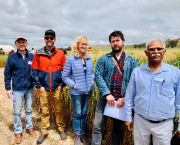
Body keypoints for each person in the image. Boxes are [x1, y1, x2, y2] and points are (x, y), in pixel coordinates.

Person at [124, 38, 180, 145]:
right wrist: (127, 117)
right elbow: (129, 96)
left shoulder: (175, 73)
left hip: (164, 124)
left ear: (164, 51)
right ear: (146, 52)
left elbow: (179, 101)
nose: (156, 52)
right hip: (140, 121)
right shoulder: (137, 72)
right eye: (152, 49)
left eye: (159, 49)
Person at [91, 30, 138, 145]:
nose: (115, 43)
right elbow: (98, 76)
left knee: (117, 128)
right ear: (110, 44)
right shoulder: (103, 59)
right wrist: (107, 94)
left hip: (121, 101)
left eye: (117, 41)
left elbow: (135, 81)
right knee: (97, 126)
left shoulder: (131, 61)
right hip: (105, 99)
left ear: (123, 42)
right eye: (113, 41)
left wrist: (125, 97)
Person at [31, 29, 67, 144]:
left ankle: (61, 129)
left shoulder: (61, 54)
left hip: (57, 88)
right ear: (44, 39)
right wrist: (39, 86)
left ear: (55, 40)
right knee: (45, 111)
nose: (49, 40)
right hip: (44, 89)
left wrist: (62, 85)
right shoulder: (38, 53)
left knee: (59, 110)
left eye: (51, 38)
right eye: (47, 37)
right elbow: (34, 71)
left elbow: (66, 71)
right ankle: (44, 131)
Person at [62, 36, 94, 145]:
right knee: (77, 113)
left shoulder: (88, 58)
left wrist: (91, 82)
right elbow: (65, 77)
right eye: (82, 44)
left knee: (84, 114)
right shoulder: (71, 59)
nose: (84, 46)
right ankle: (77, 135)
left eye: (86, 44)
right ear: (78, 45)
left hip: (87, 92)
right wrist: (74, 85)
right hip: (76, 92)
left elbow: (92, 74)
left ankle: (83, 135)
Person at [4, 36, 35, 144]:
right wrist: (8, 88)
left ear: (27, 44)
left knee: (29, 109)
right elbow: (7, 74)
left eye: (23, 42)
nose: (21, 44)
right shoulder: (11, 58)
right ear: (16, 44)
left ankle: (29, 127)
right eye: (19, 42)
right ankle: (18, 131)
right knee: (17, 111)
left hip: (30, 88)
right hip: (17, 90)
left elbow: (36, 71)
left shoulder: (31, 56)